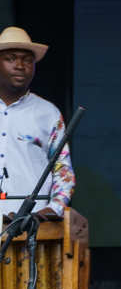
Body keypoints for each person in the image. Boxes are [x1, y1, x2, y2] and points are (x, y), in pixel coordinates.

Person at [0, 27, 74, 224]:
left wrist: (53, 209)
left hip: (32, 228)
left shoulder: (48, 113)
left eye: (27, 60)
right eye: (10, 59)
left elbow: (63, 172)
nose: (20, 66)